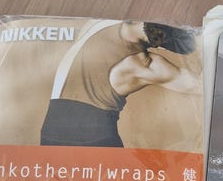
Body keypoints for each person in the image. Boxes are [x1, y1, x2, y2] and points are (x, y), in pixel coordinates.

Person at [40, 21, 200, 147]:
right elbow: (198, 86)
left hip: (51, 130)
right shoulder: (141, 64)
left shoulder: (96, 24)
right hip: (94, 133)